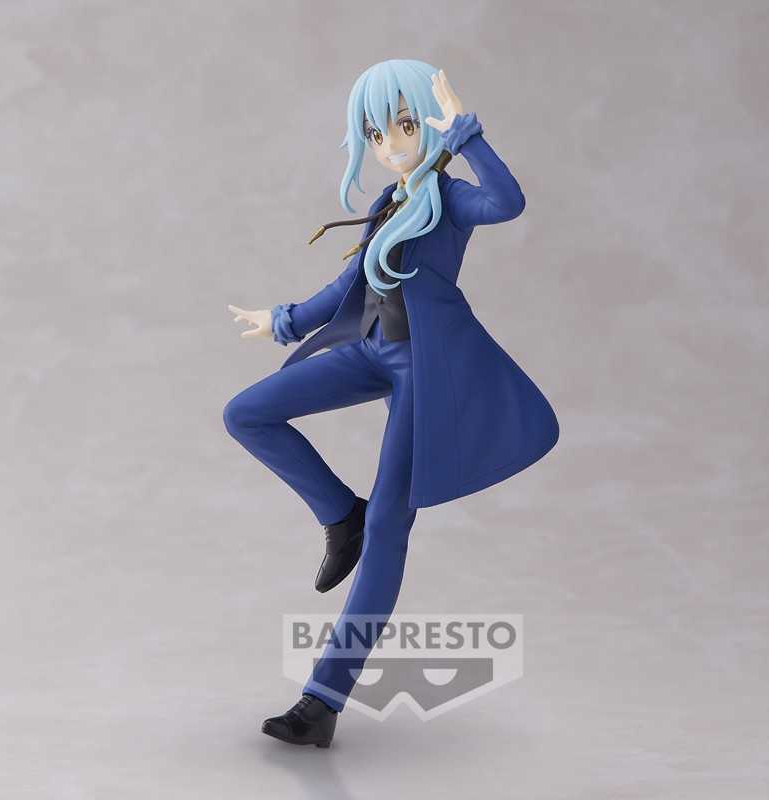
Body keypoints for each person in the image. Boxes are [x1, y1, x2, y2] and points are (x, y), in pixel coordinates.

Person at [223, 59, 559, 748]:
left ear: (428, 127)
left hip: (423, 373)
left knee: (389, 528)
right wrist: (283, 320)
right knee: (247, 413)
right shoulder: (388, 199)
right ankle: (338, 514)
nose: (392, 144)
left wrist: (466, 135)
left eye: (405, 126)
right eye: (377, 133)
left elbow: (508, 202)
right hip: (370, 351)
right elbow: (348, 282)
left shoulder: (451, 197)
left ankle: (322, 701)